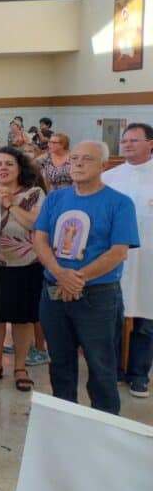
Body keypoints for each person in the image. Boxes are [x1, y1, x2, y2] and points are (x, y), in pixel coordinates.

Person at [34, 141, 138, 415]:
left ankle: (103, 422)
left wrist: (76, 278)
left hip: (97, 295)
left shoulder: (119, 203)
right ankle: (64, 417)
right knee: (59, 361)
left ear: (103, 165)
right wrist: (60, 274)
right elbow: (40, 238)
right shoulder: (55, 199)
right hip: (54, 292)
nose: (78, 163)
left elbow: (118, 251)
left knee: (101, 363)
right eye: (75, 158)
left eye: (87, 159)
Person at [0, 146, 46, 393]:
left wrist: (10, 205)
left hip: (26, 264)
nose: (3, 168)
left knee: (23, 318)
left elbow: (36, 223)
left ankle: (20, 367)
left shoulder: (34, 194)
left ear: (20, 168)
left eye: (9, 164)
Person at [103, 123, 153, 398]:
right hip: (114, 259)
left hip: (148, 260)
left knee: (146, 318)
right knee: (112, 316)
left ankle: (139, 374)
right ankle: (112, 370)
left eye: (134, 140)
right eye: (124, 141)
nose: (127, 144)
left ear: (150, 144)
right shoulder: (110, 177)